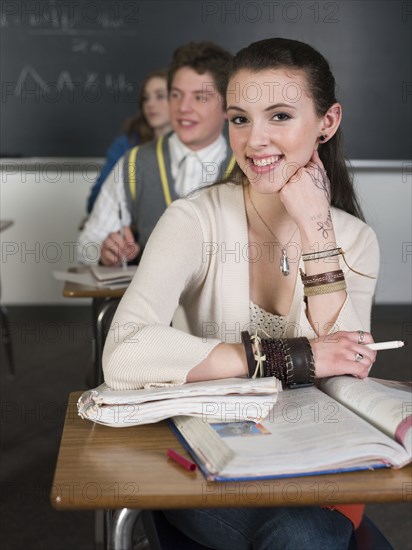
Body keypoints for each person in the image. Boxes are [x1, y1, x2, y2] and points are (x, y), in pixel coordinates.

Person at [103, 38, 380, 548]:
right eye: (239, 119)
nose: (255, 141)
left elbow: (345, 361)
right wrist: (291, 358)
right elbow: (123, 353)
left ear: (328, 122)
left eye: (279, 116)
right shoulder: (194, 219)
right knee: (304, 536)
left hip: (316, 461)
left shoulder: (355, 239)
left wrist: (318, 231)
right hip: (209, 457)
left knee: (309, 529)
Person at [78, 42, 234, 265]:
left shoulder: (249, 167)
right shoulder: (135, 162)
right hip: (153, 300)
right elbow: (86, 243)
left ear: (228, 107)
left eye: (199, 97)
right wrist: (104, 250)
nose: (183, 108)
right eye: (176, 95)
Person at [86, 68, 172, 214]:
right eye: (146, 98)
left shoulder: (192, 147)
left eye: (160, 96)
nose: (150, 104)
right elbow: (95, 201)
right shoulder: (126, 145)